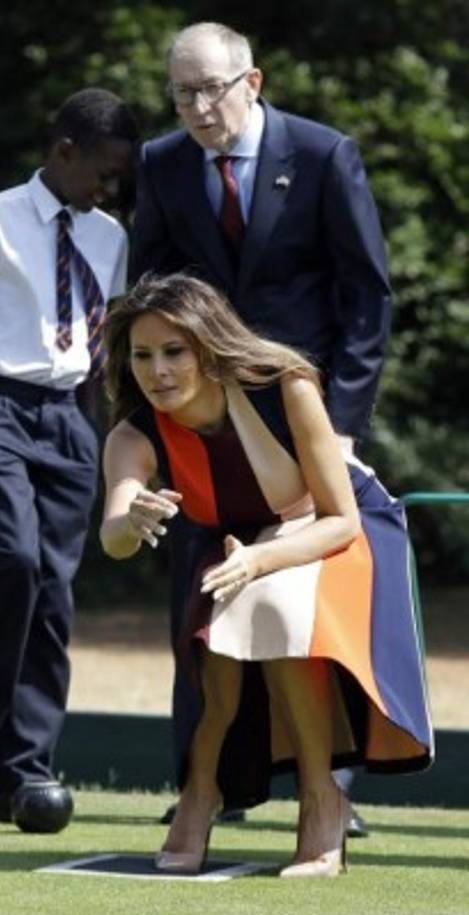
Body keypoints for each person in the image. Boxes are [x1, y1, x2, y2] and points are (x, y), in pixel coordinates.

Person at [130, 22, 392, 835]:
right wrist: (147, 428)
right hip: (200, 422)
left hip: (304, 418)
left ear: (253, 81)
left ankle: (330, 789)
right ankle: (206, 786)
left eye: (212, 88)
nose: (198, 107)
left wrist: (341, 424)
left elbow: (366, 298)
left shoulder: (322, 155)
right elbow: (144, 290)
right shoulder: (160, 164)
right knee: (199, 605)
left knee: (303, 607)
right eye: (182, 92)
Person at [99, 272, 432, 876]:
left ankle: (321, 798)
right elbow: (114, 533)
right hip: (238, 538)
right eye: (142, 355)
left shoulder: (286, 386)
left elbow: (339, 519)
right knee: (219, 657)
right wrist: (133, 520)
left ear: (207, 345)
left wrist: (257, 561)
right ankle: (200, 794)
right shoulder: (133, 432)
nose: (158, 371)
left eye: (174, 351)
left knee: (271, 606)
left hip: (339, 527)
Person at [0, 88, 139, 825]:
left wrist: (100, 433)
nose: (107, 189)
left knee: (53, 590)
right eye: (102, 173)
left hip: (69, 416)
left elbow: (101, 342)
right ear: (64, 151)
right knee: (11, 558)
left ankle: (27, 763)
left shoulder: (108, 236)